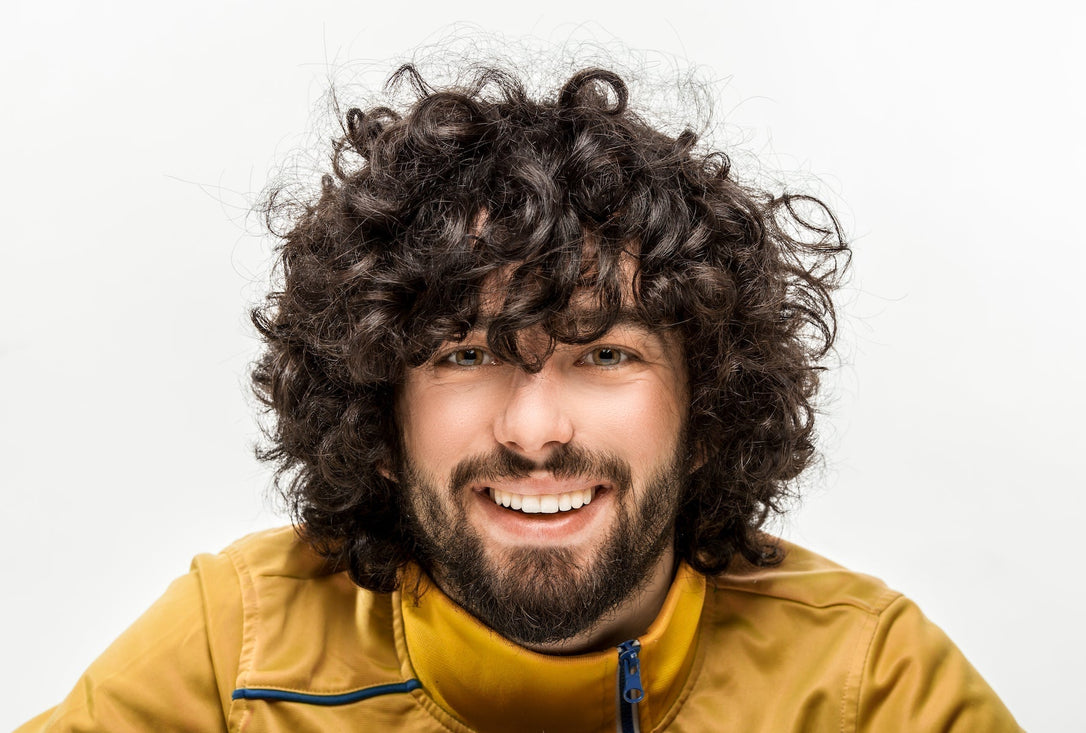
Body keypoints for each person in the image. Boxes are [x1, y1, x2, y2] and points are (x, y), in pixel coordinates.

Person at [17, 63, 1020, 732]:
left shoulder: (867, 684)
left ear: (707, 407)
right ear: (375, 413)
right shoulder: (229, 651)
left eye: (606, 355)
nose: (533, 429)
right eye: (463, 354)